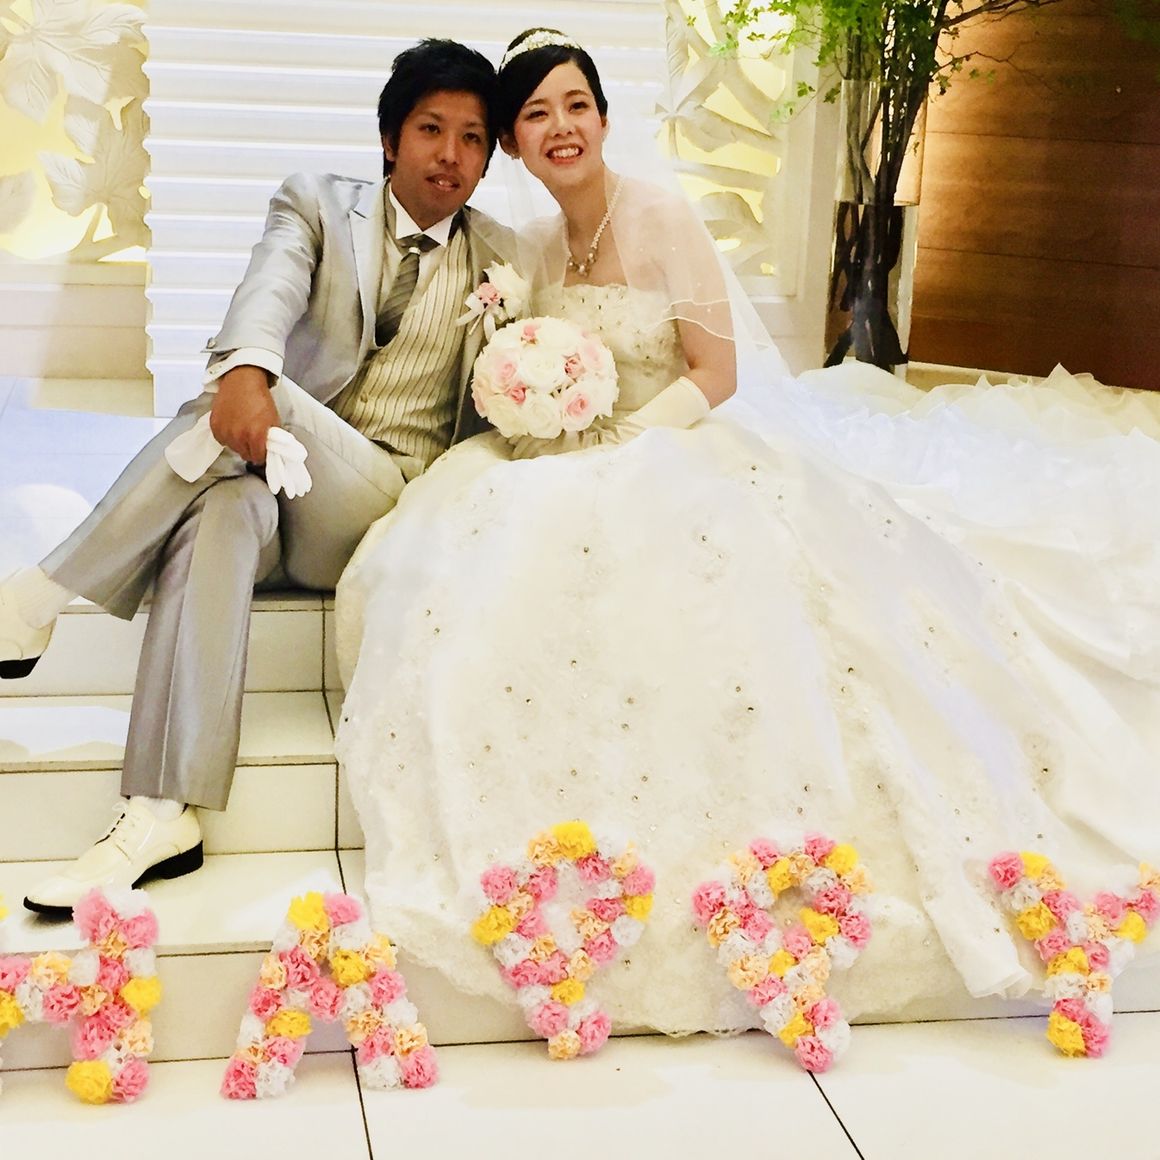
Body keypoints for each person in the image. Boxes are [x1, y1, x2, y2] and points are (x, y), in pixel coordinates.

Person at [333, 29, 1160, 1033]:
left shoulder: (662, 216)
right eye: (536, 114)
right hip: (568, 452)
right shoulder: (529, 248)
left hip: (667, 441)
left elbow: (715, 374)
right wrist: (537, 410)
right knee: (469, 535)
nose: (561, 127)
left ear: (604, 117)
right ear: (512, 141)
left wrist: (624, 437)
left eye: (577, 105)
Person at [0, 38, 513, 917]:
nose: (451, 155)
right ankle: (161, 812)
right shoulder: (316, 202)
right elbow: (268, 291)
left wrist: (245, 378)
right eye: (432, 129)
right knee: (224, 509)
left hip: (378, 508)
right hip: (272, 493)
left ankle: (39, 593)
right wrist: (247, 366)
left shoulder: (502, 259)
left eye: (473, 138)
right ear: (389, 138)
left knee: (252, 390)